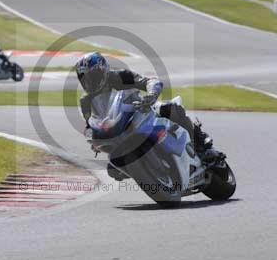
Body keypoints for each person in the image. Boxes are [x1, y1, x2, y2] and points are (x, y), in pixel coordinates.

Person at [75, 52, 215, 179]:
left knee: (169, 108)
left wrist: (151, 96)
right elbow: (90, 123)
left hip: (140, 112)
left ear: (103, 70)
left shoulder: (121, 76)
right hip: (118, 131)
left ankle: (200, 143)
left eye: (93, 76)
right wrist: (95, 138)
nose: (90, 82)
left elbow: (149, 81)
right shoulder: (85, 100)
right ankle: (149, 175)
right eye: (85, 79)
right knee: (113, 169)